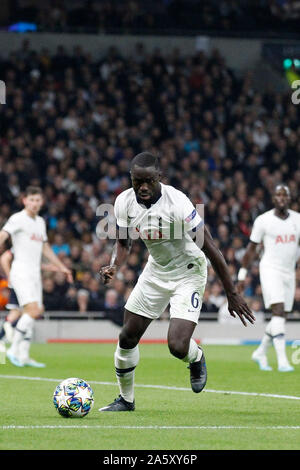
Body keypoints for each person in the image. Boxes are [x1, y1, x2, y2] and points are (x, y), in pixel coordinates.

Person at [99, 152, 255, 412]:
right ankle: (126, 400)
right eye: (138, 181)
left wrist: (232, 293)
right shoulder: (123, 202)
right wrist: (114, 264)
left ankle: (196, 357)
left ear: (159, 177)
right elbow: (124, 242)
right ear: (131, 179)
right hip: (156, 271)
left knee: (177, 346)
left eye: (149, 180)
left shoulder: (178, 202)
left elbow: (212, 249)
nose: (143, 187)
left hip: (189, 271)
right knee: (127, 337)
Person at [0, 186, 73, 367]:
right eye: (31, 200)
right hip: (20, 272)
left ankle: (24, 355)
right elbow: (3, 235)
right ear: (24, 200)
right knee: (31, 310)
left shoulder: (40, 222)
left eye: (37, 200)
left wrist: (62, 267)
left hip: (34, 274)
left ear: (42, 202)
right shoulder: (17, 218)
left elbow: (45, 248)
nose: (34, 203)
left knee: (36, 311)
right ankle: (13, 349)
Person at [237, 184, 300, 372]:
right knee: (279, 310)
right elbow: (251, 250)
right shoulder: (263, 221)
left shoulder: (298, 220)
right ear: (273, 199)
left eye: (284, 195)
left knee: (281, 316)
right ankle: (282, 361)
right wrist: (242, 275)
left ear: (289, 198)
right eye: (277, 195)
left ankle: (261, 351)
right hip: (270, 269)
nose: (281, 198)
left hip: (289, 272)